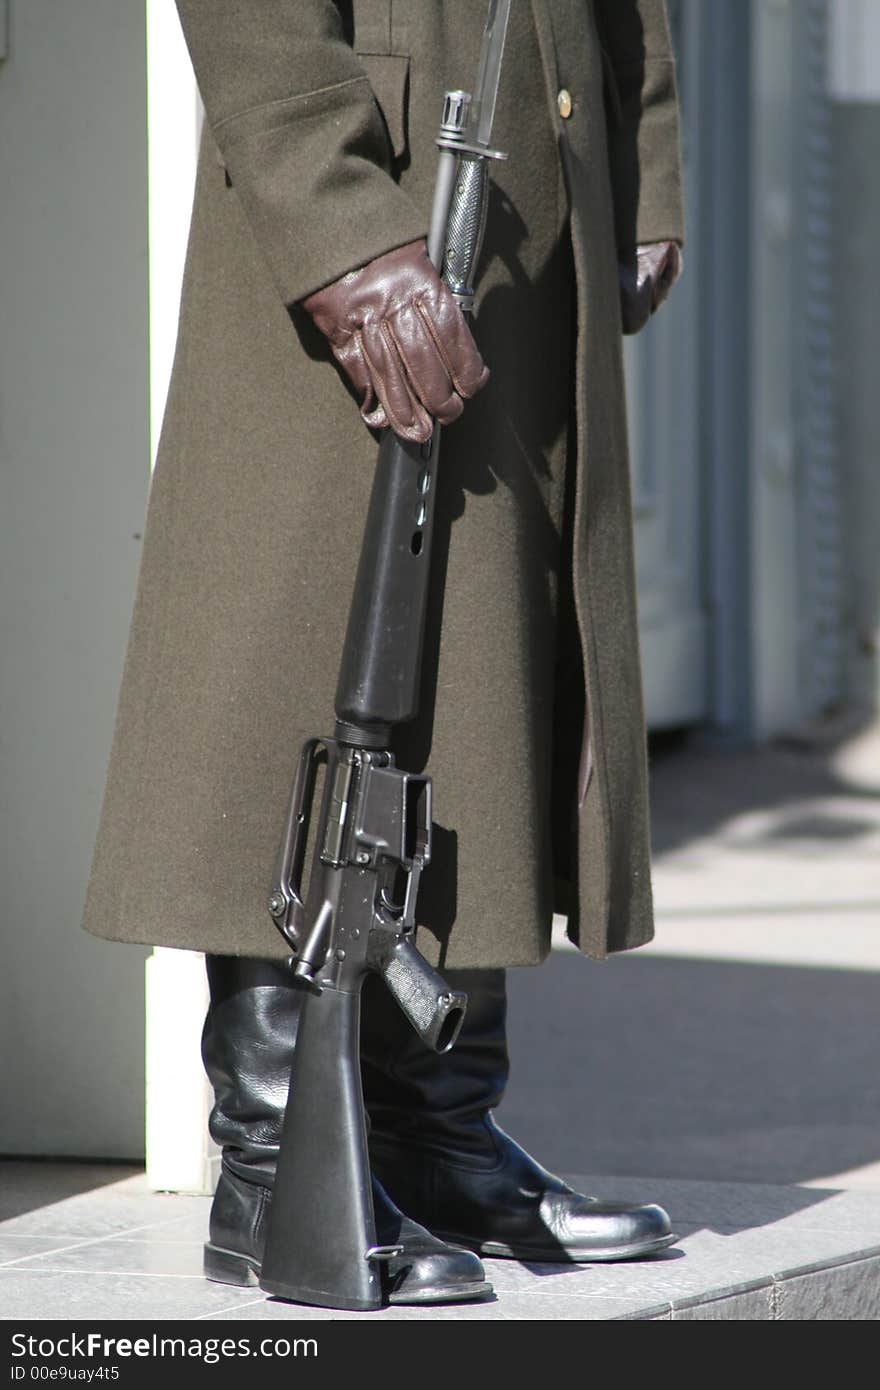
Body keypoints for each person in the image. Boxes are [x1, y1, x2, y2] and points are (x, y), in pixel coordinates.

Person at [83, 0, 684, 1305]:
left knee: (474, 676)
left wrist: (636, 159)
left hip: (522, 189)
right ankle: (267, 1173)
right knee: (295, 680)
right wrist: (346, 231)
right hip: (377, 195)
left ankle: (439, 1138)